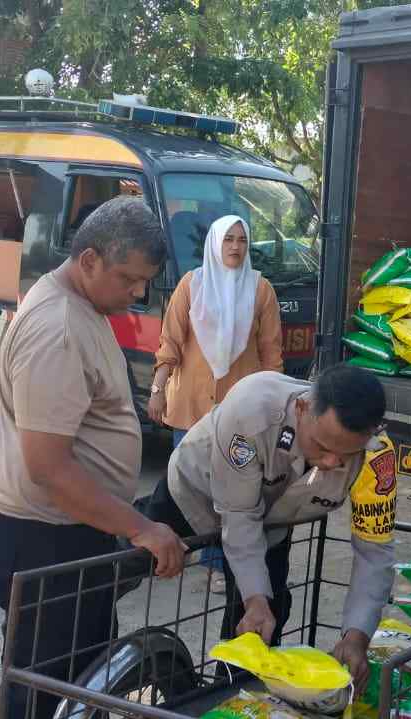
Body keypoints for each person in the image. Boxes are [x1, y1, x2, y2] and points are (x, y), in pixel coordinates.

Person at [0, 196, 186, 719]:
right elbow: (47, 467)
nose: (138, 293)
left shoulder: (81, 306)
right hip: (44, 541)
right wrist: (143, 527)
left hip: (65, 536)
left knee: (77, 680)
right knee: (43, 692)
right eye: (128, 278)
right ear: (89, 260)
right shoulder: (59, 328)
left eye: (146, 281)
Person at [137, 366, 395, 689]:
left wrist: (356, 636)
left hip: (270, 523)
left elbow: (375, 554)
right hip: (193, 494)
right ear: (302, 409)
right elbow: (240, 516)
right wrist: (254, 598)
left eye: (346, 455)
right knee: (129, 560)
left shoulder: (377, 458)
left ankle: (231, 697)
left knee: (263, 621)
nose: (331, 463)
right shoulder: (252, 411)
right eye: (323, 447)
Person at [147, 215, 284, 591]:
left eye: (242, 239)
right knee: (183, 485)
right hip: (190, 405)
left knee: (232, 490)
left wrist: (274, 409)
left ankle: (217, 564)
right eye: (228, 240)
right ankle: (175, 547)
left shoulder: (261, 290)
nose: (236, 247)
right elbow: (170, 344)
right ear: (214, 244)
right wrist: (157, 390)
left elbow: (272, 356)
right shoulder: (193, 286)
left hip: (239, 412)